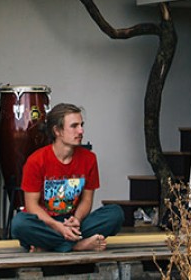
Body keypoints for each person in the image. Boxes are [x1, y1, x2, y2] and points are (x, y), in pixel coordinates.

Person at [9, 103, 124, 252]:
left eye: (81, 125)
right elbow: (32, 206)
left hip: (74, 222)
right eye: (74, 126)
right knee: (20, 224)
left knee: (115, 213)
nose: (81, 131)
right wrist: (57, 226)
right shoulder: (36, 161)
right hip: (46, 223)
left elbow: (87, 200)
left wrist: (76, 220)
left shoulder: (89, 159)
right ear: (57, 131)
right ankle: (78, 245)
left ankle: (48, 245)